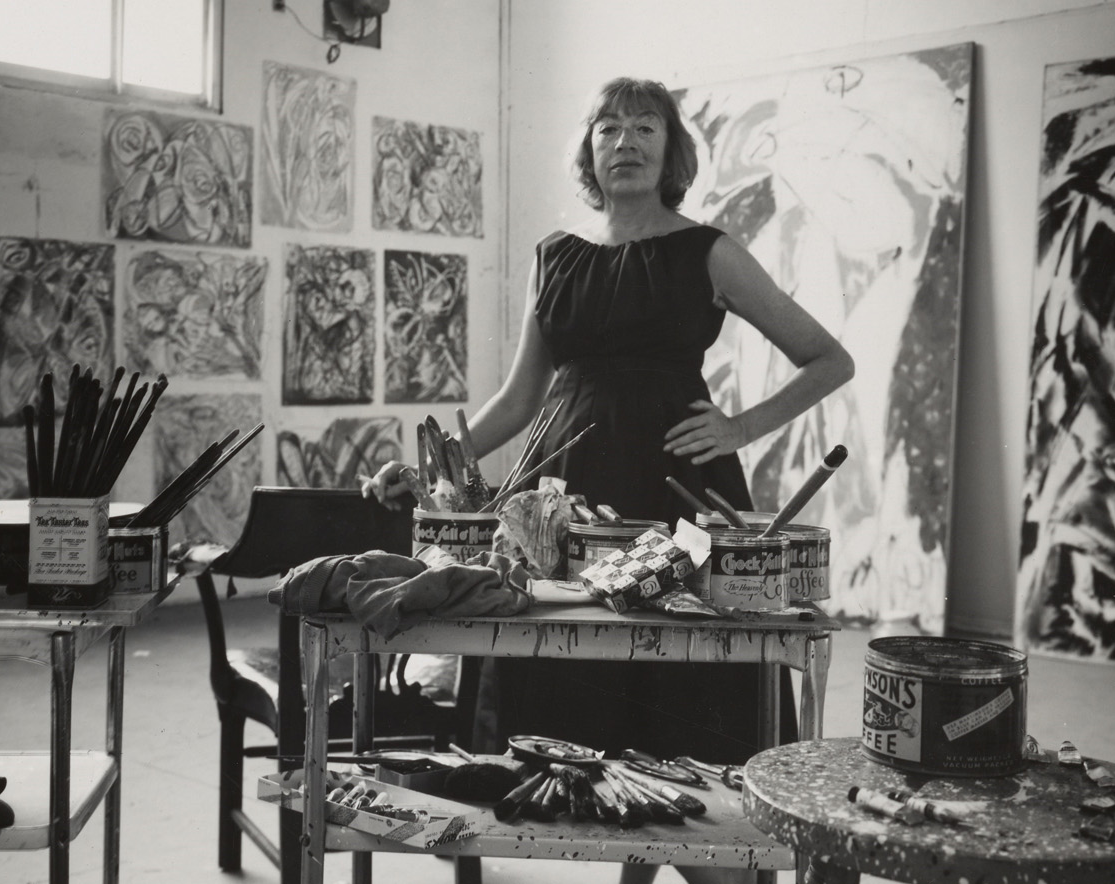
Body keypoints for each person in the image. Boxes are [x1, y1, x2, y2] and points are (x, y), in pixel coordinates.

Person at [362, 77, 854, 883]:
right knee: (572, 680)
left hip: (677, 490)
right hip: (564, 493)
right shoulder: (556, 258)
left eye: (645, 127)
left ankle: (710, 852)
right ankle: (626, 830)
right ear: (589, 149)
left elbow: (830, 358)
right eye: (608, 127)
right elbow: (520, 399)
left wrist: (738, 427)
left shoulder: (708, 251)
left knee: (689, 683)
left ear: (671, 150)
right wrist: (426, 469)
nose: (625, 140)